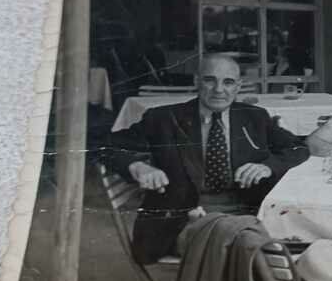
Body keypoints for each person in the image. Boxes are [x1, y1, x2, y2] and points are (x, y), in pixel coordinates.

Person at [105, 53, 309, 259]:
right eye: (209, 80)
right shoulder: (163, 119)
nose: (219, 89)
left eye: (228, 82)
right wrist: (137, 166)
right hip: (182, 220)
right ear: (197, 81)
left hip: (247, 213)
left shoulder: (255, 117)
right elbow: (106, 146)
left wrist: (268, 166)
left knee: (261, 242)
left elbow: (298, 148)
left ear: (238, 86)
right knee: (249, 245)